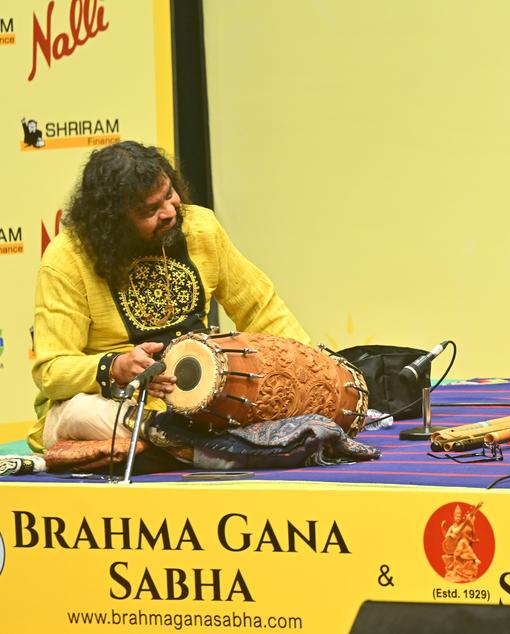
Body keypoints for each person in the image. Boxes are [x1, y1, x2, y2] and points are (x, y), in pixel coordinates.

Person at [28, 141, 309, 454]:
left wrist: (311, 364)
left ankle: (190, 440)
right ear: (112, 225)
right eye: (149, 210)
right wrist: (117, 367)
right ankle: (181, 437)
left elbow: (260, 308)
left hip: (203, 397)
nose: (170, 211)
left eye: (168, 194)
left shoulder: (200, 227)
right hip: (116, 407)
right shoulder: (67, 259)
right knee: (81, 414)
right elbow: (51, 371)